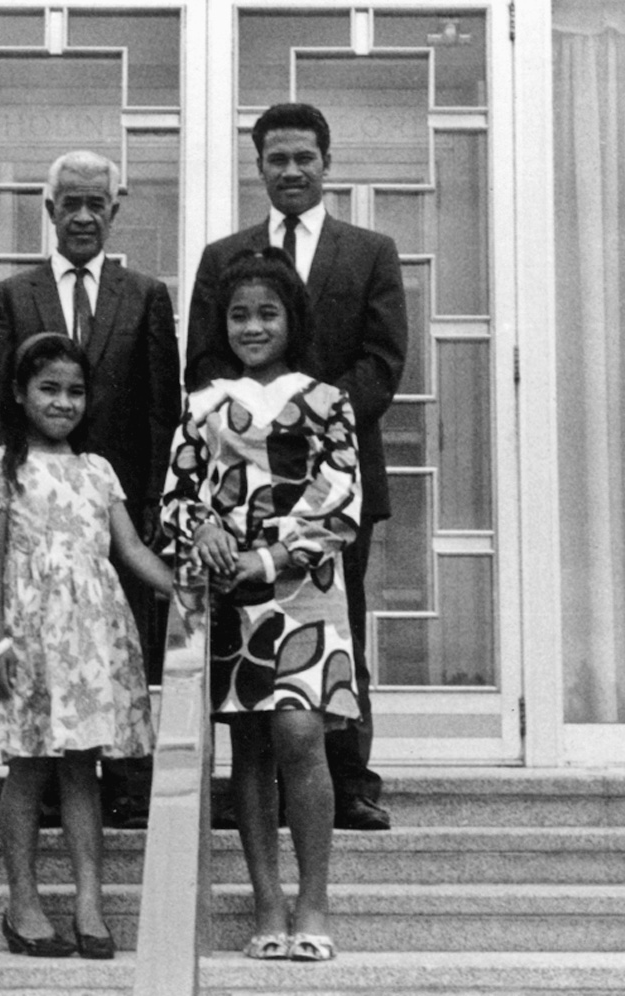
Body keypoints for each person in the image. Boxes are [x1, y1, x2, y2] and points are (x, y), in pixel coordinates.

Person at [185, 103, 406, 832]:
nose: (290, 171)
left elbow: (382, 362)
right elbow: (206, 363)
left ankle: (349, 781)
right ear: (259, 167)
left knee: (338, 624)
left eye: (303, 158)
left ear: (326, 161)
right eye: (275, 159)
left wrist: (310, 421)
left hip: (331, 479)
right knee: (244, 629)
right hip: (240, 486)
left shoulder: (369, 250)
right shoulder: (226, 257)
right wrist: (257, 432)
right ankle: (251, 782)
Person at [163, 248, 361, 961]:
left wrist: (270, 555)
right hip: (231, 599)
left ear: (291, 320)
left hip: (303, 589)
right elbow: (176, 498)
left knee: (300, 736)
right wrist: (206, 528)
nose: (252, 326)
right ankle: (268, 903)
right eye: (240, 314)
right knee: (248, 743)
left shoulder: (326, 400)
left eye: (267, 313)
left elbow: (340, 501)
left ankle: (314, 900)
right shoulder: (206, 404)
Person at [0, 149, 180, 827]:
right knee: (40, 654)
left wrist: (152, 504)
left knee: (118, 652)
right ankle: (32, 784)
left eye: (99, 203)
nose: (86, 215)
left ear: (116, 210)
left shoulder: (146, 296)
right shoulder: (11, 296)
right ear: (50, 210)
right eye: (73, 203)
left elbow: (163, 409)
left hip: (113, 509)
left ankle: (125, 783)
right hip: (32, 511)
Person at [0, 333, 172, 958]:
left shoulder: (97, 470)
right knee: (27, 767)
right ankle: (22, 901)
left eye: (75, 391)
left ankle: (89, 901)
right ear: (20, 393)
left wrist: (183, 590)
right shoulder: (0, 465)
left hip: (89, 639)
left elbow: (130, 549)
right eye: (48, 389)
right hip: (28, 635)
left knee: (85, 768)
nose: (62, 402)